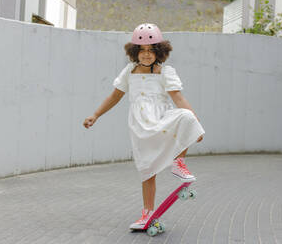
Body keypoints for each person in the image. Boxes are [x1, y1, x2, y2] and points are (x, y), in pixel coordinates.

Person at [83, 23, 205, 230]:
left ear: (159, 52)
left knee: (187, 116)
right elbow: (115, 96)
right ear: (134, 52)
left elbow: (179, 98)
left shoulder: (166, 72)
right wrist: (96, 115)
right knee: (147, 171)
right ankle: (147, 213)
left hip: (162, 120)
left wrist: (196, 123)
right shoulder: (129, 72)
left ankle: (179, 163)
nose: (147, 55)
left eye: (151, 51)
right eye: (142, 51)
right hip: (140, 126)